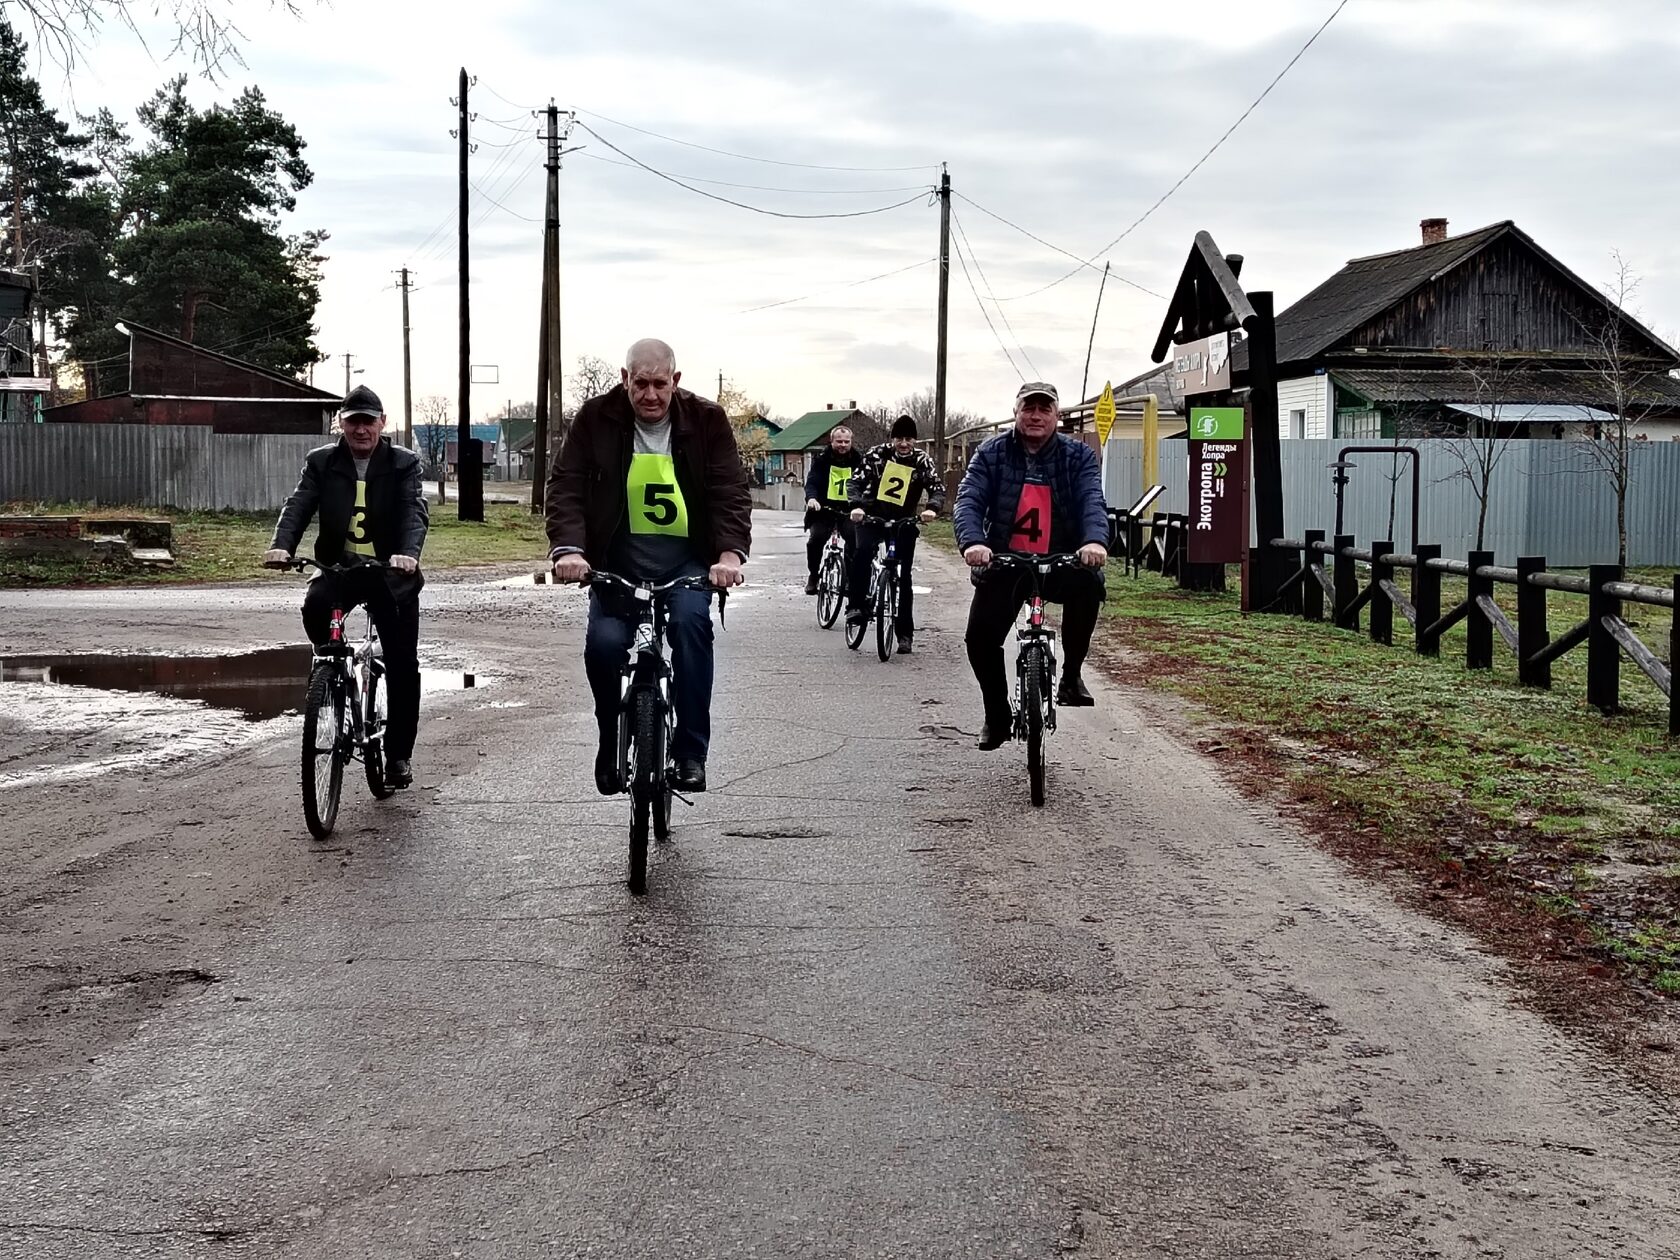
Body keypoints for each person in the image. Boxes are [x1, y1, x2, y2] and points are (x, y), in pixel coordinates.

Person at [545, 338, 750, 796]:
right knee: (603, 646)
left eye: (660, 384)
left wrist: (728, 555)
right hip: (617, 565)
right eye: (641, 384)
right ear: (625, 379)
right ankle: (609, 736)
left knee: (691, 628)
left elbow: (729, 491)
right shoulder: (595, 418)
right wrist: (569, 551)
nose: (651, 395)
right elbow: (566, 485)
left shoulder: (708, 420)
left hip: (686, 564)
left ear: (676, 380)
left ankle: (691, 752)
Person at [264, 385, 428, 787]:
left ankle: (398, 756)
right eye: (353, 421)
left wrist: (407, 553)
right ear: (341, 423)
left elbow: (413, 511)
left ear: (382, 423)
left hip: (390, 572)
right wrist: (282, 546)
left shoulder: (403, 463)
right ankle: (329, 678)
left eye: (368, 421)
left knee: (402, 663)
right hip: (339, 567)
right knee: (315, 607)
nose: (361, 429)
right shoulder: (321, 461)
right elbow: (299, 504)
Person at [953, 381, 1109, 750]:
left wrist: (1094, 541)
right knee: (980, 639)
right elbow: (969, 499)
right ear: (1016, 412)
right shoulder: (990, 453)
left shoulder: (1079, 455)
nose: (1035, 416)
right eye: (1028, 408)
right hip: (1005, 559)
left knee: (1089, 585)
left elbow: (1091, 500)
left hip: (1061, 558)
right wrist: (974, 542)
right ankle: (996, 716)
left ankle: (1071, 676)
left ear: (1057, 415)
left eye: (1044, 409)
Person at [845, 414, 945, 653]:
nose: (904, 444)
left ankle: (905, 633)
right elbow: (855, 482)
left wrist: (932, 508)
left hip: (904, 520)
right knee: (862, 552)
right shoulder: (877, 455)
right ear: (892, 439)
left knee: (904, 575)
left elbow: (937, 487)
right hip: (873, 516)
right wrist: (856, 506)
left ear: (915, 440)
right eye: (899, 439)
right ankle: (856, 605)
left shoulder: (921, 460)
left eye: (909, 439)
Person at [801, 425, 863, 596]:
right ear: (831, 441)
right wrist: (812, 499)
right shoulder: (822, 460)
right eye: (839, 441)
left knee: (855, 540)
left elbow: (865, 484)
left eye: (846, 442)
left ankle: (849, 577)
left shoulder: (859, 460)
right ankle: (814, 575)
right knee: (816, 540)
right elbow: (812, 482)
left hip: (849, 510)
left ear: (851, 442)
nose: (843, 445)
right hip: (824, 509)